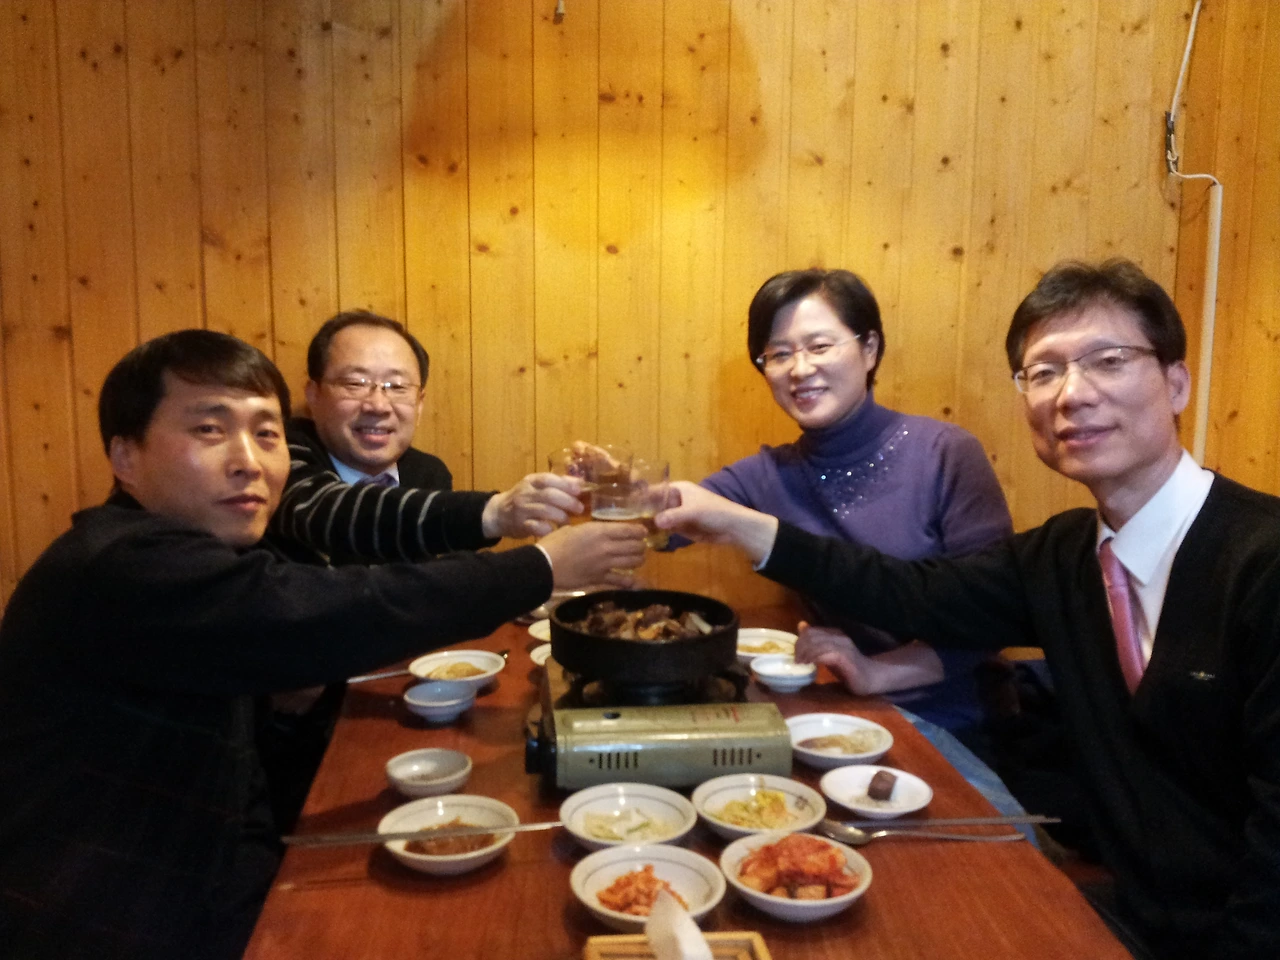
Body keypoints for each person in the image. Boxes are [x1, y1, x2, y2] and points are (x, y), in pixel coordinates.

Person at [657, 258, 1280, 960]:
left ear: (1176, 382)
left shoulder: (1262, 561)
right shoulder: (1066, 556)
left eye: (1108, 361)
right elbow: (910, 591)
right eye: (1044, 372)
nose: (1073, 394)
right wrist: (743, 527)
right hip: (1139, 916)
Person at [0, 330, 645, 960]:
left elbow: (246, 760)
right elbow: (330, 609)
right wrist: (539, 566)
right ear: (125, 456)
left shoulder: (182, 552)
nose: (248, 461)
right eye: (209, 430)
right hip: (101, 917)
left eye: (265, 434)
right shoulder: (121, 563)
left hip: (203, 878)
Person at [699, 268, 1012, 741]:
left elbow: (993, 614)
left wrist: (877, 672)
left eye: (819, 346)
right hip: (835, 712)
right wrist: (610, 485)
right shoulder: (772, 472)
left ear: (869, 349)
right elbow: (673, 513)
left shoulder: (944, 453)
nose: (799, 369)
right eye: (779, 354)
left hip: (946, 723)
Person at [271, 310, 577, 565]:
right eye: (355, 383)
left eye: (397, 387)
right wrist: (495, 512)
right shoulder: (278, 455)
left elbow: (437, 583)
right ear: (314, 395)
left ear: (419, 404)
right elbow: (336, 514)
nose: (378, 405)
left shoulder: (426, 473)